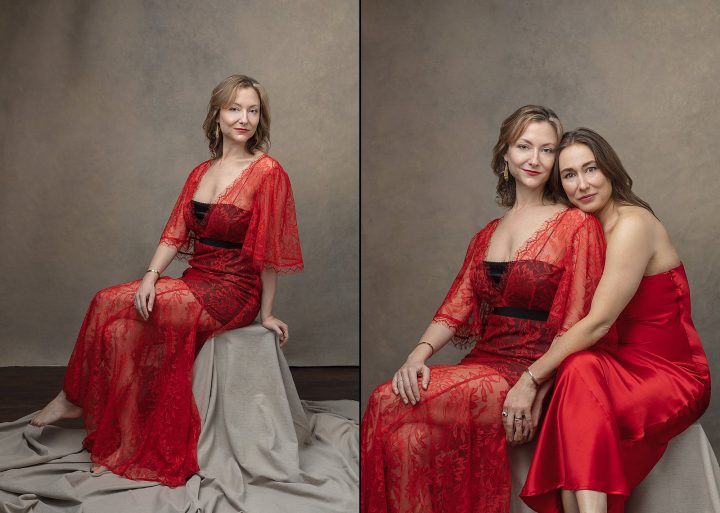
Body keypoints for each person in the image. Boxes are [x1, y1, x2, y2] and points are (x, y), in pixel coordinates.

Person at [27, 74, 304, 486]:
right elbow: (175, 233)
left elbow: (267, 255)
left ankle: (73, 400)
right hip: (198, 280)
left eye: (252, 109)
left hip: (234, 291)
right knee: (114, 316)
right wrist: (150, 276)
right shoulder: (201, 172)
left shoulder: (268, 172)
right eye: (234, 108)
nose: (244, 118)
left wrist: (265, 314)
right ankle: (115, 440)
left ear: (260, 118)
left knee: (117, 311)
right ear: (217, 116)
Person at [361, 106, 610, 513]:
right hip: (484, 363)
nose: (534, 159)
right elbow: (455, 307)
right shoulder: (486, 235)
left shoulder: (576, 226)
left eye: (547, 150)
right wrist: (417, 355)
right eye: (524, 146)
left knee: (384, 400)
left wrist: (535, 385)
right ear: (506, 155)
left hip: (531, 371)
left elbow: (577, 323)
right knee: (408, 441)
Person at [519, 128, 711, 513]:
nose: (583, 184)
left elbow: (598, 323)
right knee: (577, 368)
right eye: (570, 175)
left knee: (577, 381)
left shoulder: (632, 224)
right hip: (616, 365)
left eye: (591, 169)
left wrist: (530, 378)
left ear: (609, 170)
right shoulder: (584, 230)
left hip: (671, 373)